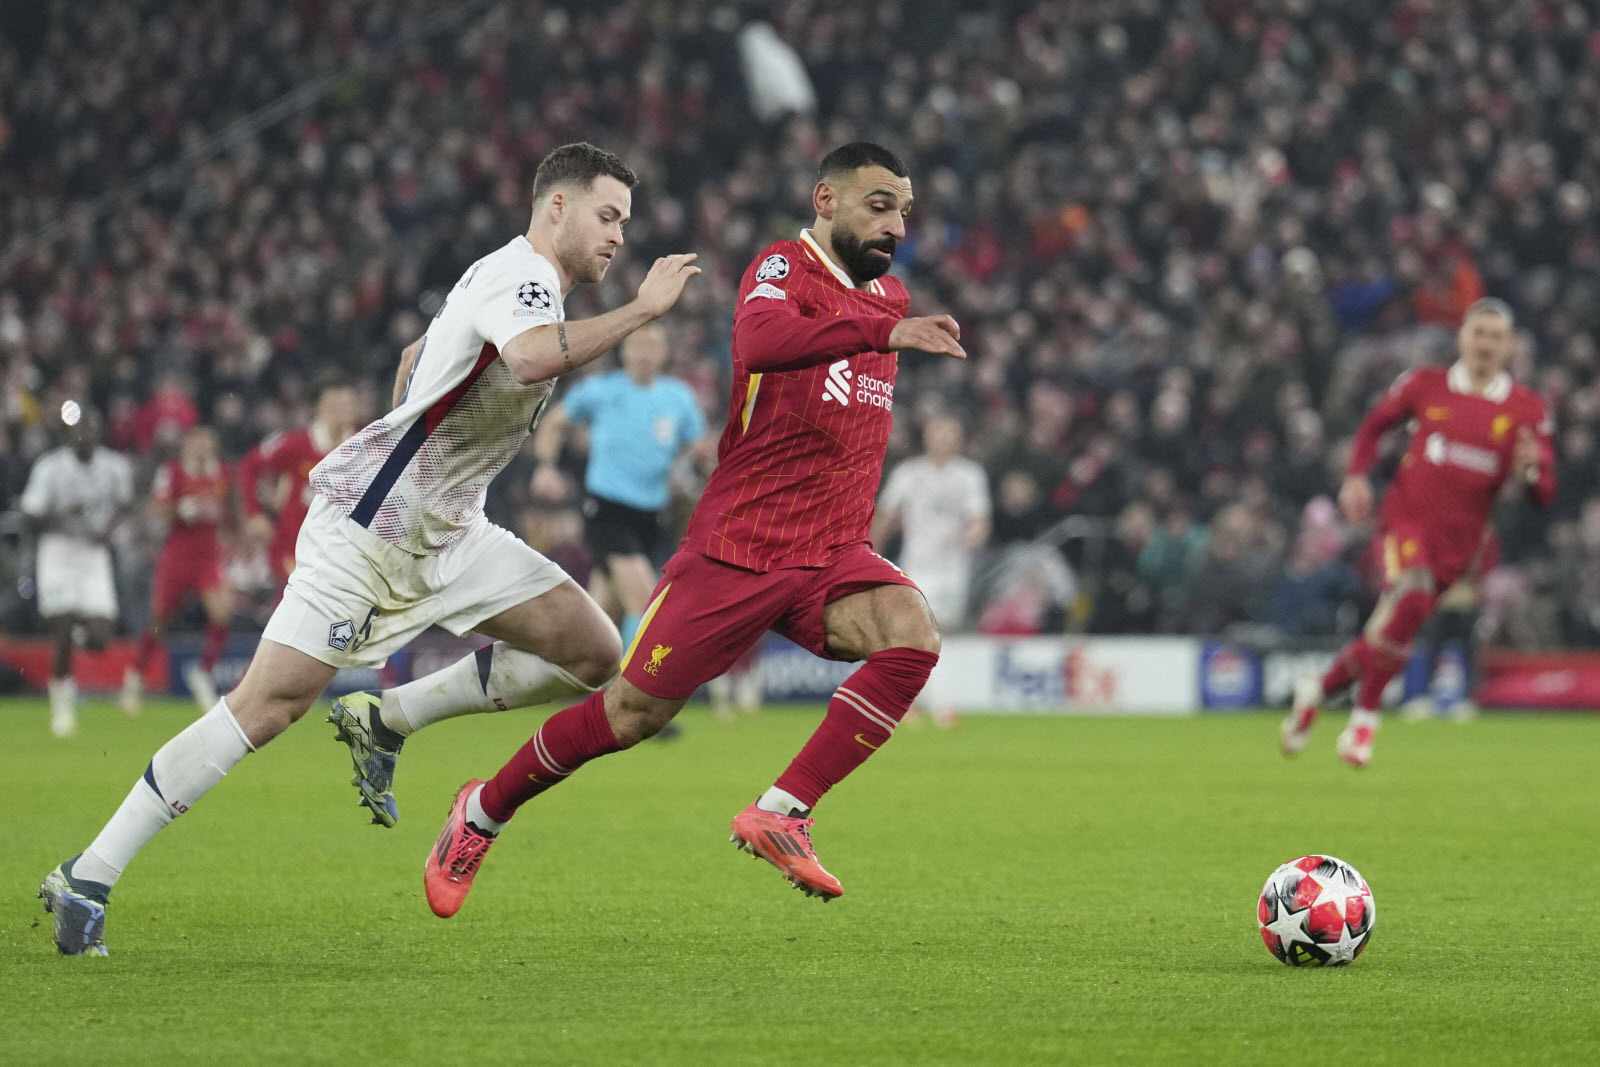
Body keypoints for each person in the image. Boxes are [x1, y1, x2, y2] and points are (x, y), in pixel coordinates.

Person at [38, 142, 703, 956]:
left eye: (626, 224)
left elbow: (413, 360)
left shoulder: (509, 279)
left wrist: (417, 439)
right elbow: (529, 358)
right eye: (607, 216)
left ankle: (389, 718)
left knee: (593, 648)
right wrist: (643, 310)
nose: (619, 238)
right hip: (371, 534)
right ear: (556, 206)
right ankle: (89, 874)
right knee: (270, 704)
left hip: (452, 532)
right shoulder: (525, 276)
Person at [420, 141, 968, 918]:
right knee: (628, 715)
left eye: (904, 210)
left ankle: (783, 809)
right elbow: (761, 345)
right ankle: (480, 812)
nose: (896, 225)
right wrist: (883, 335)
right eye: (880, 205)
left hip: (833, 552)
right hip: (738, 549)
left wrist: (887, 327)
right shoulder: (782, 269)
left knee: (912, 634)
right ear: (826, 201)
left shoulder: (891, 297)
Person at [1281, 299, 1555, 767]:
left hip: (1460, 547)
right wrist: (1357, 476)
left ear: (1508, 346)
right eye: (1478, 333)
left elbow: (1543, 492)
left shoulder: (1526, 409)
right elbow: (1372, 428)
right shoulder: (1425, 385)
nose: (1485, 344)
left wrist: (1531, 475)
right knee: (1411, 597)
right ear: (1462, 337)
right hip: (1404, 523)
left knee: (1387, 633)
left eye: (1495, 336)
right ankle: (1363, 724)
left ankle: (1317, 692)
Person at [531, 322, 708, 654]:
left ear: (664, 353)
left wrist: (693, 464)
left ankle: (563, 664)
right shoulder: (600, 390)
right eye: (637, 346)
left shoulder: (679, 398)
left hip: (653, 514)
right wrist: (545, 467)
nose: (644, 354)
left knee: (603, 608)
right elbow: (554, 422)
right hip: (607, 509)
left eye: (652, 347)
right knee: (644, 600)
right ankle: (632, 688)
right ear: (624, 352)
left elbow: (696, 449)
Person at [19, 405, 136, 738]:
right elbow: (30, 514)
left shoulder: (113, 466)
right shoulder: (51, 467)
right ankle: (62, 708)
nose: (85, 437)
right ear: (68, 435)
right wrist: (62, 515)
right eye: (78, 431)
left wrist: (108, 531)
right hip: (58, 550)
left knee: (100, 637)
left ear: (98, 433)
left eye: (90, 430)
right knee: (63, 624)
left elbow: (125, 505)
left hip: (93, 553)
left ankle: (76, 637)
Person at [873, 413, 991, 725]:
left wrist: (974, 535)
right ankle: (931, 706)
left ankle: (921, 703)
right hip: (916, 567)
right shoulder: (908, 473)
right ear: (927, 436)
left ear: (959, 438)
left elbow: (979, 519)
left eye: (949, 433)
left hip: (953, 570)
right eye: (937, 432)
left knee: (937, 637)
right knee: (918, 634)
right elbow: (885, 516)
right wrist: (872, 554)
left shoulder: (969, 475)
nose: (942, 439)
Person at [122, 426, 234, 714]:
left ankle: (203, 671)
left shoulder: (220, 472)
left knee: (222, 613)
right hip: (178, 555)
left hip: (208, 555)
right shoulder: (171, 472)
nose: (202, 448)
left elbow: (228, 510)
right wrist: (179, 509)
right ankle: (135, 674)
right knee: (160, 621)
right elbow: (156, 509)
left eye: (206, 443)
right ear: (186, 446)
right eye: (196, 443)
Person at [237, 374, 360, 584]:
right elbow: (249, 465)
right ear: (318, 407)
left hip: (341, 549)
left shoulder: (362, 448)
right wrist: (254, 513)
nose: (342, 411)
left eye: (348, 404)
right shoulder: (295, 443)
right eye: (335, 404)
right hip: (294, 544)